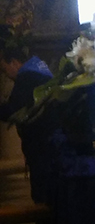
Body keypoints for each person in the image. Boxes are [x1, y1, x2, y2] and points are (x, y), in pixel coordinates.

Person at [0, 25, 54, 203]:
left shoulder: (26, 77)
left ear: (14, 62)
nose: (7, 75)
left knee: (42, 198)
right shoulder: (41, 69)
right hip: (51, 145)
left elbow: (14, 110)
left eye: (5, 69)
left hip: (41, 148)